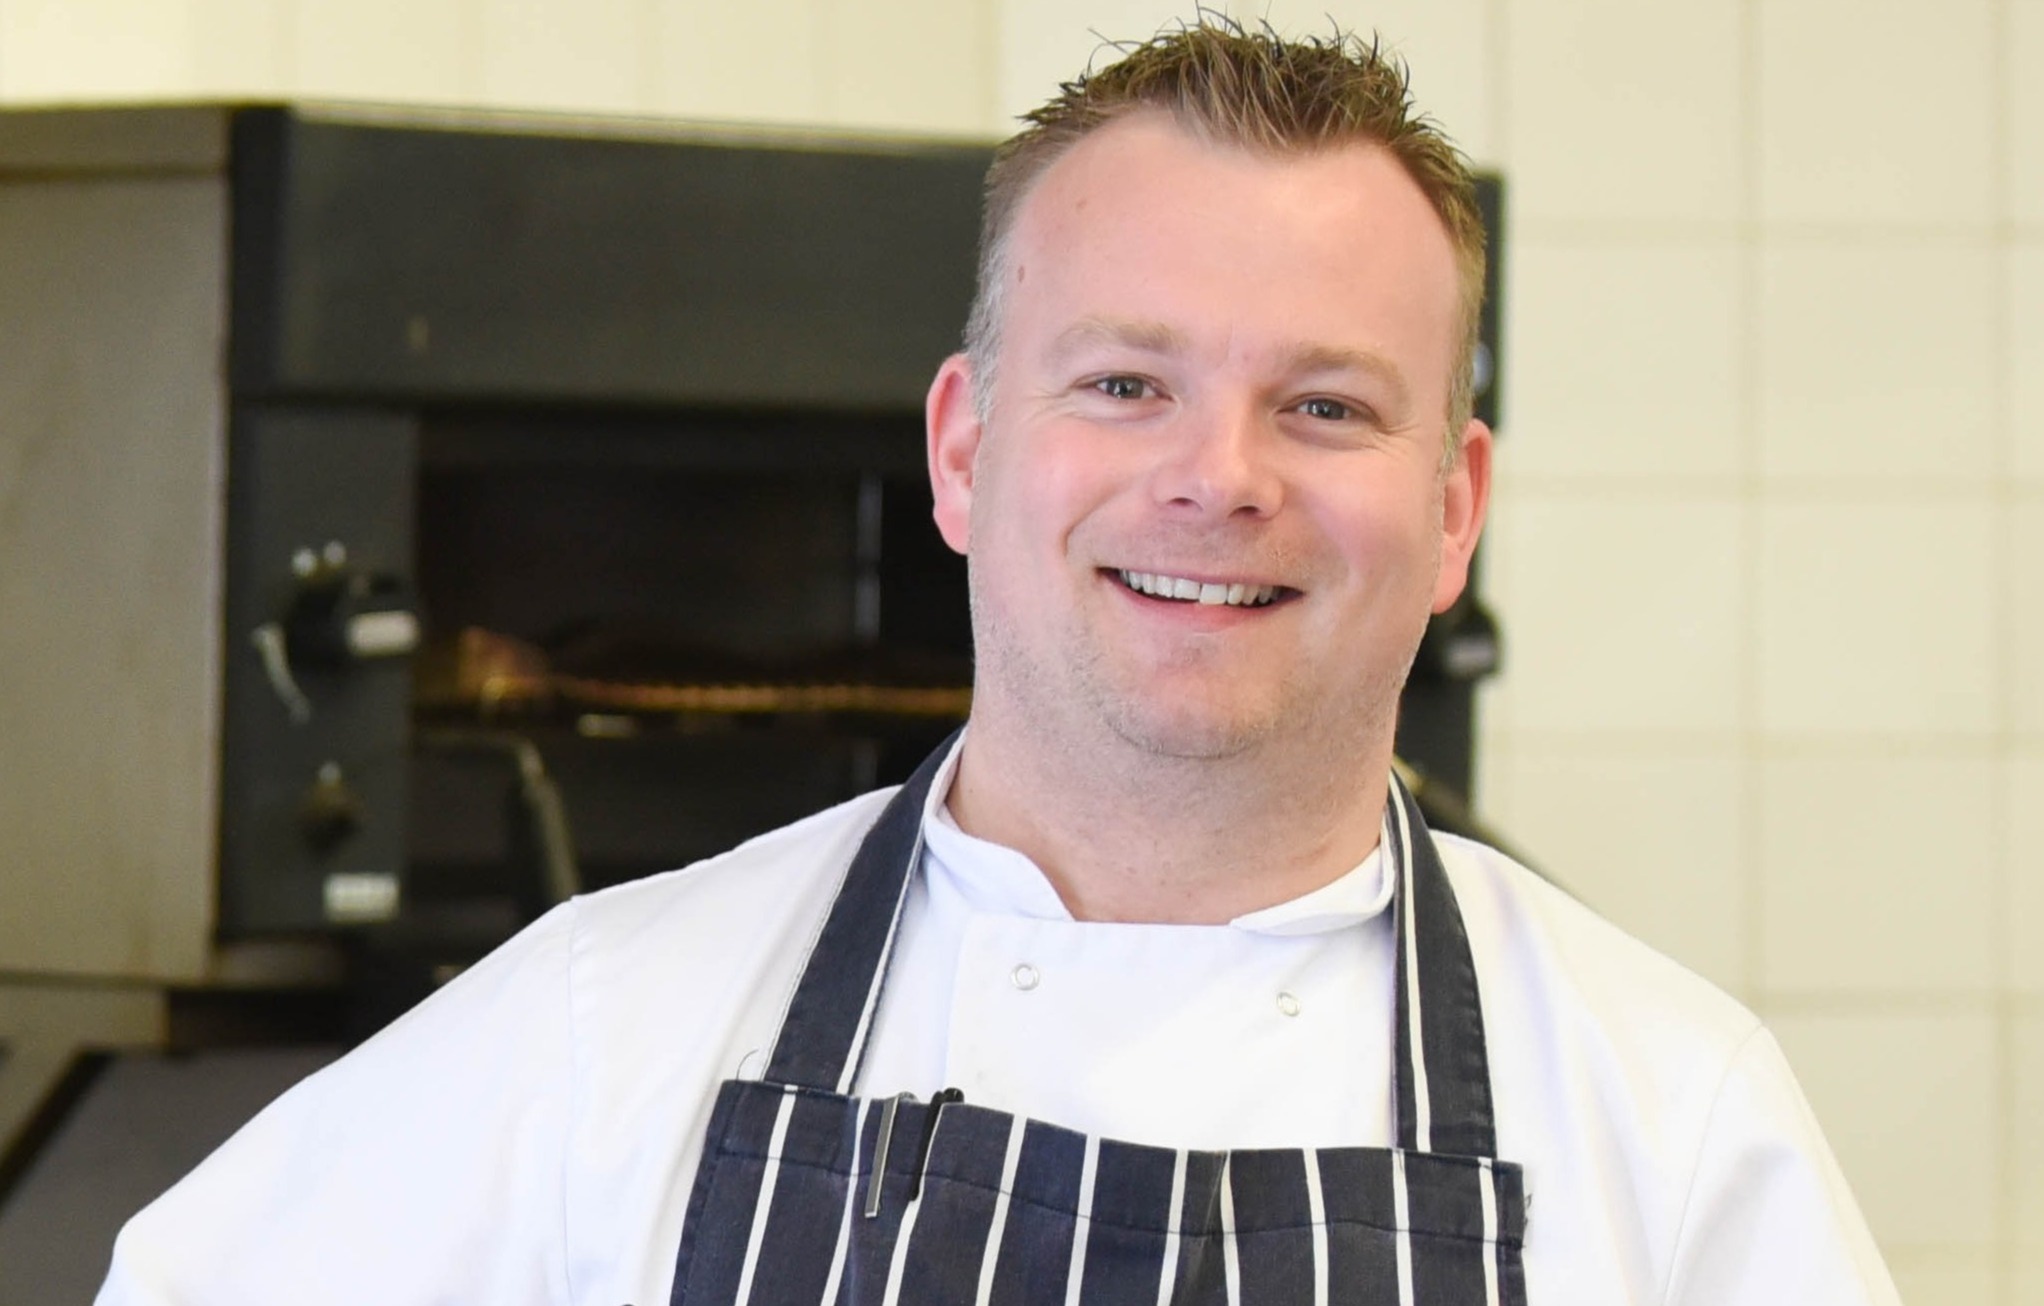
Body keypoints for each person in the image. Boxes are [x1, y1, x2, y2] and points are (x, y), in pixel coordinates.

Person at [99, 20, 1900, 1306]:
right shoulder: (598, 1038)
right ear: (963, 452)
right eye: (1125, 382)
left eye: (1327, 405)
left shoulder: (1671, 1124)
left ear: (1455, 510)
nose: (1221, 476)